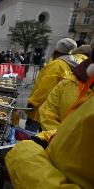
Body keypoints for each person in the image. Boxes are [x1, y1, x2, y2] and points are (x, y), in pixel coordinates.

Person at [5, 46, 94, 189]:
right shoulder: (72, 77)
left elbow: (45, 96)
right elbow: (52, 112)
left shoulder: (58, 66)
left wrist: (23, 153)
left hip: (39, 148)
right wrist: (51, 138)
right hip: (46, 147)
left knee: (30, 128)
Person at [26, 38, 88, 132]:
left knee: (32, 135)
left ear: (57, 50)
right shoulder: (77, 63)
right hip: (60, 113)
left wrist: (32, 103)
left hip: (43, 111)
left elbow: (45, 89)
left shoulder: (57, 65)